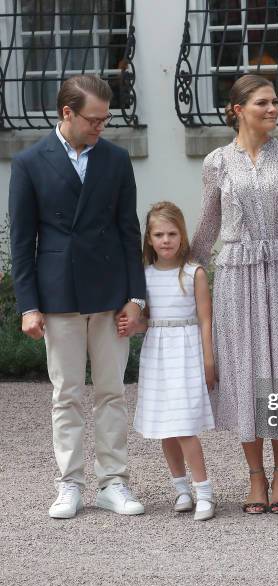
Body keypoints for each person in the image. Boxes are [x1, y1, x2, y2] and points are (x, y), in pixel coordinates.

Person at [191, 74, 278, 514]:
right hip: (236, 274)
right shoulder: (216, 161)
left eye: (275, 102)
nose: (273, 109)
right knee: (246, 370)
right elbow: (209, 225)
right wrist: (178, 271)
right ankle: (255, 477)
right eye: (263, 103)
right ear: (237, 109)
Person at [9, 75, 146, 519]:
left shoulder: (116, 159)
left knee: (111, 391)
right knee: (65, 393)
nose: (101, 126)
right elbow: (22, 241)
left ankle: (114, 482)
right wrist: (28, 305)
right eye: (94, 119)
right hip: (58, 294)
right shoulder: (29, 162)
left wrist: (136, 298)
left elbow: (129, 232)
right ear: (66, 113)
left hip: (109, 292)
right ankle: (69, 483)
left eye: (106, 119)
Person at [117, 202, 216, 521]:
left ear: (182, 235)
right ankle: (181, 490)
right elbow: (149, 320)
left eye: (172, 233)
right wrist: (134, 325)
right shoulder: (143, 276)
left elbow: (205, 321)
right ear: (149, 239)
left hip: (187, 353)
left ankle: (204, 492)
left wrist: (209, 360)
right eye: (159, 234)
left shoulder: (193, 273)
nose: (166, 240)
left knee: (185, 426)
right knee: (166, 429)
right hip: (158, 353)